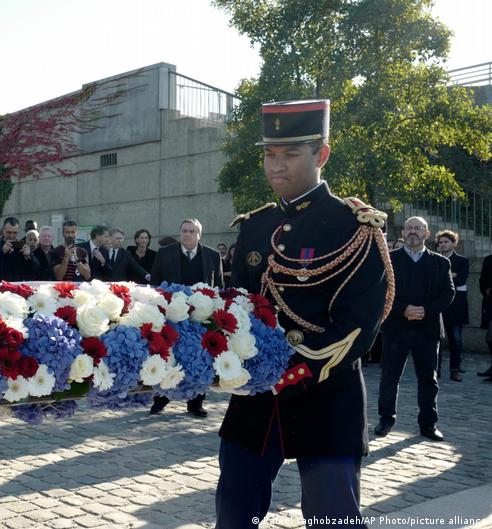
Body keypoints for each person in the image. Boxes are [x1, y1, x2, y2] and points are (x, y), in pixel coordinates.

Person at [219, 100, 391, 528]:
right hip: (255, 401)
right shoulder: (255, 226)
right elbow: (236, 308)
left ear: (322, 154)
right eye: (269, 154)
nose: (276, 166)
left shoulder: (354, 226)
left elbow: (358, 325)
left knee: (332, 519)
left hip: (327, 396)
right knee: (234, 514)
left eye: (290, 154)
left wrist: (289, 369)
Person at [376, 217, 454, 441]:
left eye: (418, 228)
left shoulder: (440, 263)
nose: (413, 232)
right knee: (389, 377)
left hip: (427, 329)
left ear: (427, 234)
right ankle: (385, 419)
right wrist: (403, 309)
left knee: (429, 379)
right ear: (403, 232)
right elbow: (381, 291)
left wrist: (425, 310)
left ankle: (428, 424)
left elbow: (448, 293)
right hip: (396, 328)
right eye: (409, 228)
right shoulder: (388, 260)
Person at [149, 218, 222, 418]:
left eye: (191, 231)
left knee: (200, 357)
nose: (187, 234)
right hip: (172, 313)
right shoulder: (165, 253)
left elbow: (219, 286)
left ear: (199, 234)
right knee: (169, 355)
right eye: (184, 231)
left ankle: (195, 402)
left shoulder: (213, 256)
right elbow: (156, 284)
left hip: (201, 316)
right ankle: (160, 399)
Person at [435, 230, 468, 382]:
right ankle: (437, 369)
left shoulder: (462, 261)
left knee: (456, 339)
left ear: (453, 243)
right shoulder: (433, 259)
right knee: (436, 340)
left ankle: (455, 369)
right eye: (440, 242)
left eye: (446, 242)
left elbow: (461, 280)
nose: (443, 245)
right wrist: (451, 275)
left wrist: (447, 276)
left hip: (456, 307)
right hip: (438, 306)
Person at [0, 217, 38, 281]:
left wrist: (30, 255)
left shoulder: (23, 246)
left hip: (17, 286)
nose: (12, 235)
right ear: (3, 231)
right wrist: (1, 252)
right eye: (9, 232)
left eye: (15, 232)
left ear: (18, 231)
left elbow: (36, 268)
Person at [481, 253, 492, 380]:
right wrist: (487, 289)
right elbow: (483, 279)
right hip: (490, 302)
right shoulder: (488, 259)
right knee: (489, 338)